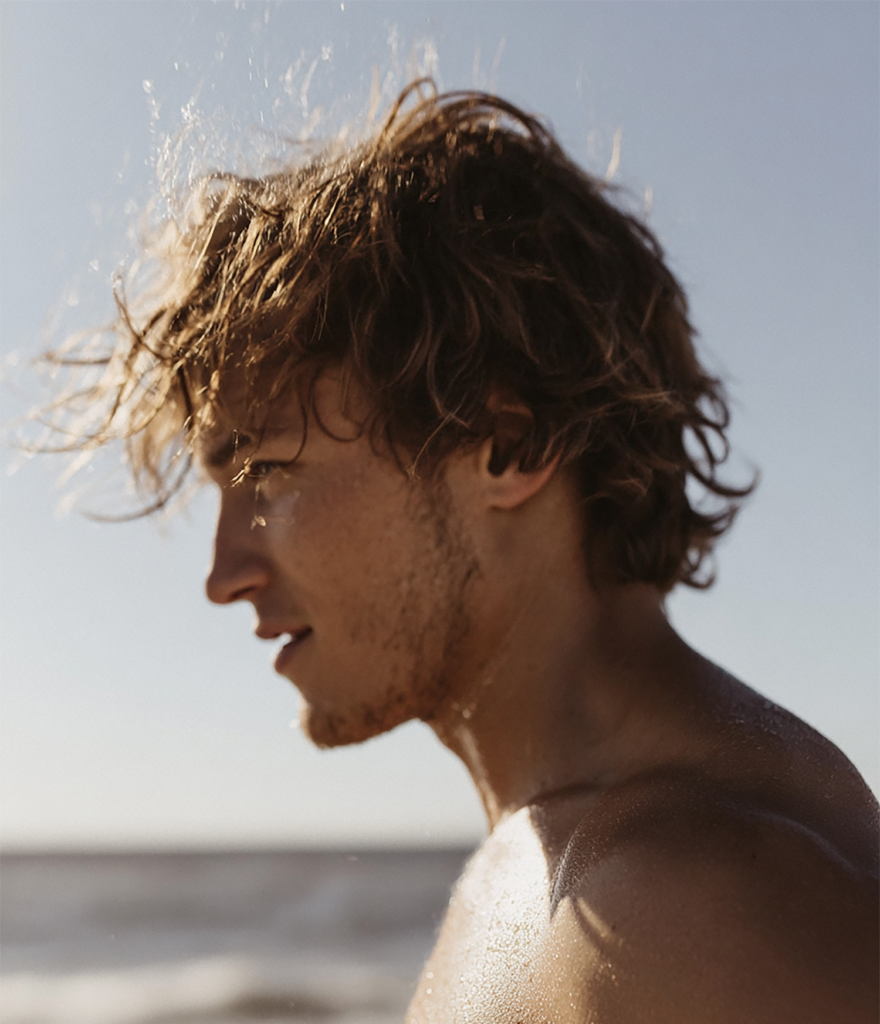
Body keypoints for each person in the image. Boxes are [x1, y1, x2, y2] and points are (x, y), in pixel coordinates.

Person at [43, 80, 880, 1021]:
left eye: (269, 476)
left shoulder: (681, 912)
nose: (223, 575)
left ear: (507, 446)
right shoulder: (572, 858)